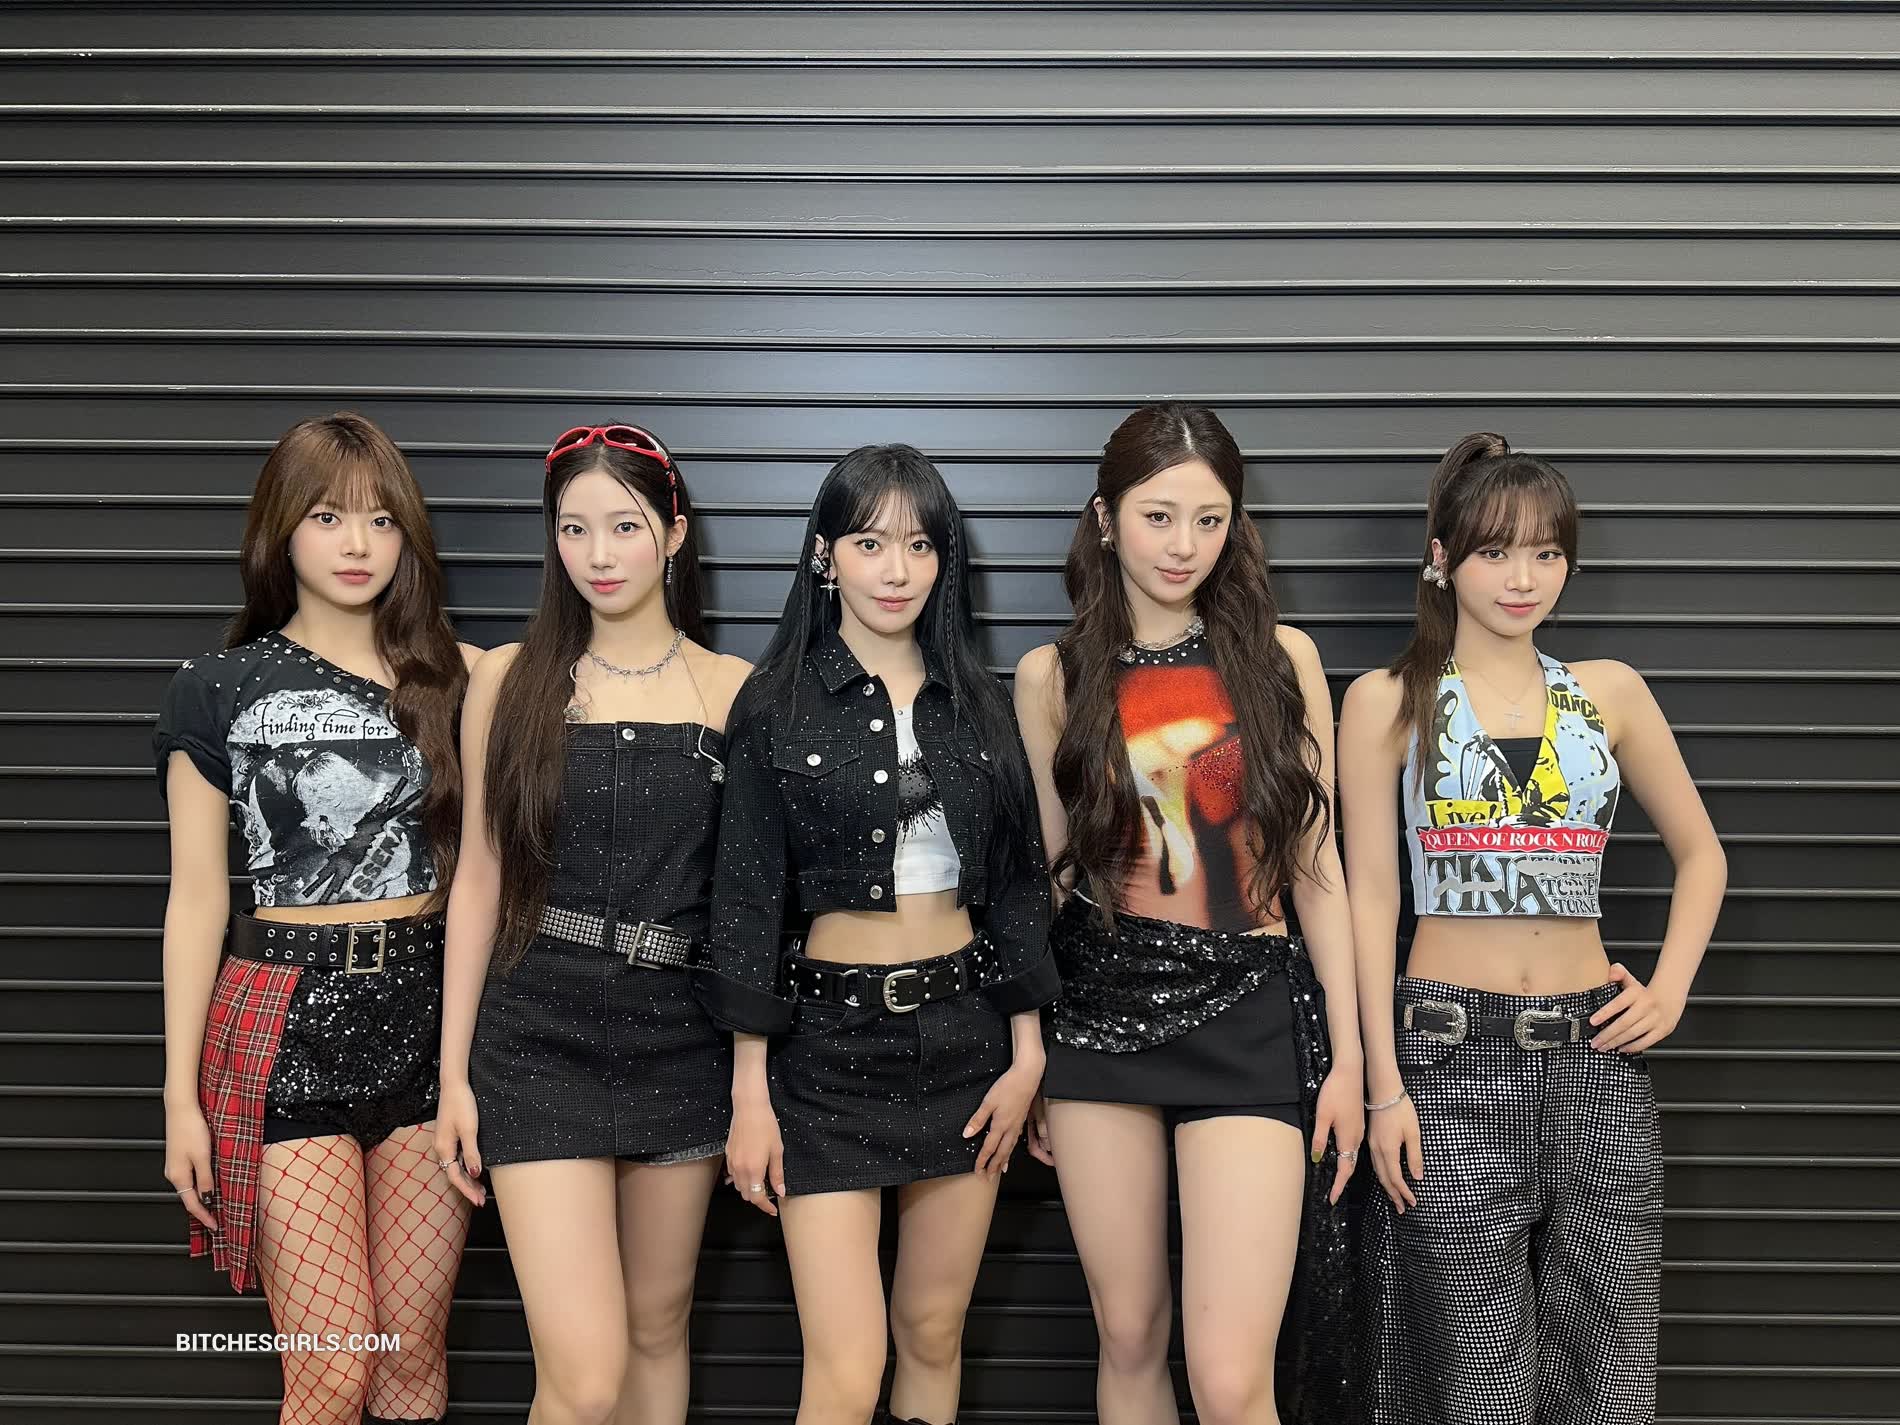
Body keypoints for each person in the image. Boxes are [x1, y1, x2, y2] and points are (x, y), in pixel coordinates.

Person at [1338, 432, 1727, 1425]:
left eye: (1547, 552)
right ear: (1442, 557)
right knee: (1471, 1382)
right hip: (1445, 1058)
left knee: (1608, 1374)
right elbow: (1370, 899)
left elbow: (1702, 854)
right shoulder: (1388, 700)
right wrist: (1384, 1086)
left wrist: (1669, 991)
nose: (1524, 578)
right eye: (1496, 551)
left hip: (1596, 1059)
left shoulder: (1609, 691)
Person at [1013, 402, 1363, 1425]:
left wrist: (1347, 1060)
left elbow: (1318, 868)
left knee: (1228, 1374)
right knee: (1128, 1336)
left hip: (1248, 1010)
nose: (1183, 545)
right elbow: (1041, 881)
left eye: (1209, 521)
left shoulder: (1282, 660)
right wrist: (1029, 1046)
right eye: (1158, 516)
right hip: (1098, 1014)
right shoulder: (1053, 676)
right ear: (1105, 518)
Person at [695, 444, 1059, 1425]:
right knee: (847, 1368)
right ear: (826, 555)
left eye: (918, 545)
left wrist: (1027, 1054)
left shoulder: (979, 702)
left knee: (933, 1333)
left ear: (945, 559)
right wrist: (748, 1093)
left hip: (966, 1046)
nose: (896, 569)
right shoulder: (774, 701)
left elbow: (1018, 886)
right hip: (823, 1058)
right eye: (869, 543)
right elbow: (745, 903)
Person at [156, 412, 480, 1425]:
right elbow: (196, 900)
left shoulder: (460, 679)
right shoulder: (216, 689)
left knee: (411, 1364)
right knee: (335, 1372)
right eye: (329, 517)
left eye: (382, 520)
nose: (357, 544)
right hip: (284, 1022)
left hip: (428, 1019)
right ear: (281, 528)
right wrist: (178, 1099)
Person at [435, 423, 750, 1425]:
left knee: (658, 1331)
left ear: (674, 532)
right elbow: (479, 878)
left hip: (681, 1036)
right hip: (536, 1035)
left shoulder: (732, 689)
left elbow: (748, 903)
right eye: (574, 529)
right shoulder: (507, 678)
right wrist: (452, 1074)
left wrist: (751, 1074)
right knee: (584, 1377)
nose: (599, 554)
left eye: (624, 526)